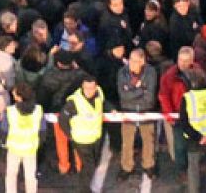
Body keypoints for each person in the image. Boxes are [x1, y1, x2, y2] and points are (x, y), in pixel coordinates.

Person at [116, 47, 158, 179]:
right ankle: (126, 167)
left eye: (136, 61)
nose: (132, 64)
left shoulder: (151, 72)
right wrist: (141, 89)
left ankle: (148, 165)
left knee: (148, 140)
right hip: (128, 111)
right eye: (131, 60)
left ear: (143, 62)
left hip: (146, 111)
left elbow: (149, 97)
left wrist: (131, 90)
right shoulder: (122, 72)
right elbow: (123, 95)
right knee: (127, 142)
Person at [60, 74, 106, 189]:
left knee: (92, 165)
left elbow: (103, 104)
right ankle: (84, 190)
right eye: (86, 88)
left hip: (95, 138)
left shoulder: (99, 93)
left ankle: (85, 187)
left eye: (91, 88)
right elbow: (62, 119)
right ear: (82, 87)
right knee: (89, 167)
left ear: (96, 87)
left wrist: (112, 109)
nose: (89, 91)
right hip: (81, 141)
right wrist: (71, 135)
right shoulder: (74, 102)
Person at [3, 81, 43, 193]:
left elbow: (4, 129)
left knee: (11, 174)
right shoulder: (38, 110)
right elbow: (43, 130)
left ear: (19, 97)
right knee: (30, 176)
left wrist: (3, 141)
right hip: (30, 147)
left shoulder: (10, 111)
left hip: (14, 147)